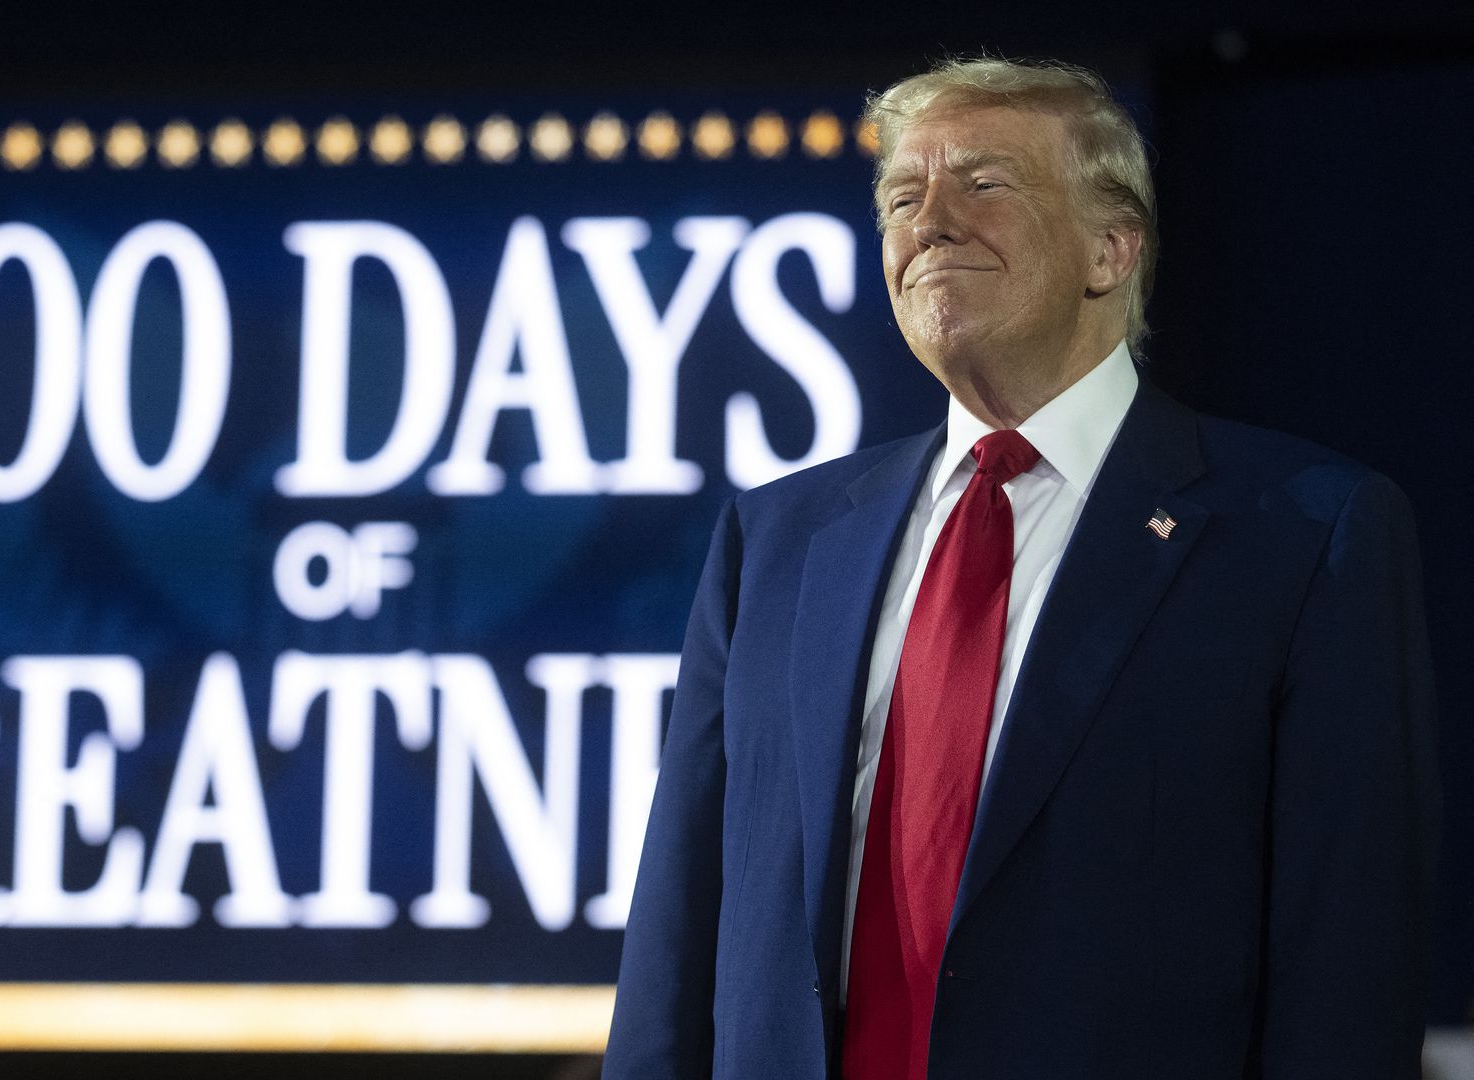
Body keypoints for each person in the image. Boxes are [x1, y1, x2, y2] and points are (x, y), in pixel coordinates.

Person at [603, 56, 1438, 1080]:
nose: (930, 222)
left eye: (985, 183)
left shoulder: (1309, 533)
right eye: (904, 198)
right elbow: (680, 931)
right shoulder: (777, 540)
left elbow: (1345, 959)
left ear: (1111, 248)